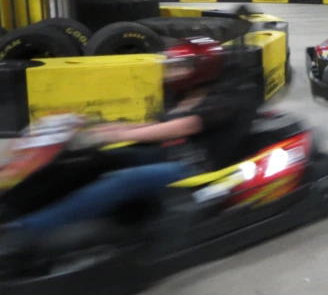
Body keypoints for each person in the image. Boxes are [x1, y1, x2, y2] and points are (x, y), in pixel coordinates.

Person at [0, 38, 261, 258]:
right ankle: (18, 204)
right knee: (97, 160)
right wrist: (110, 130)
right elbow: (162, 124)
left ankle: (25, 230)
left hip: (198, 170)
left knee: (121, 180)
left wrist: (120, 134)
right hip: (172, 154)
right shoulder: (185, 95)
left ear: (202, 68)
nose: (174, 72)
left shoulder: (223, 99)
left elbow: (184, 127)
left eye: (181, 67)